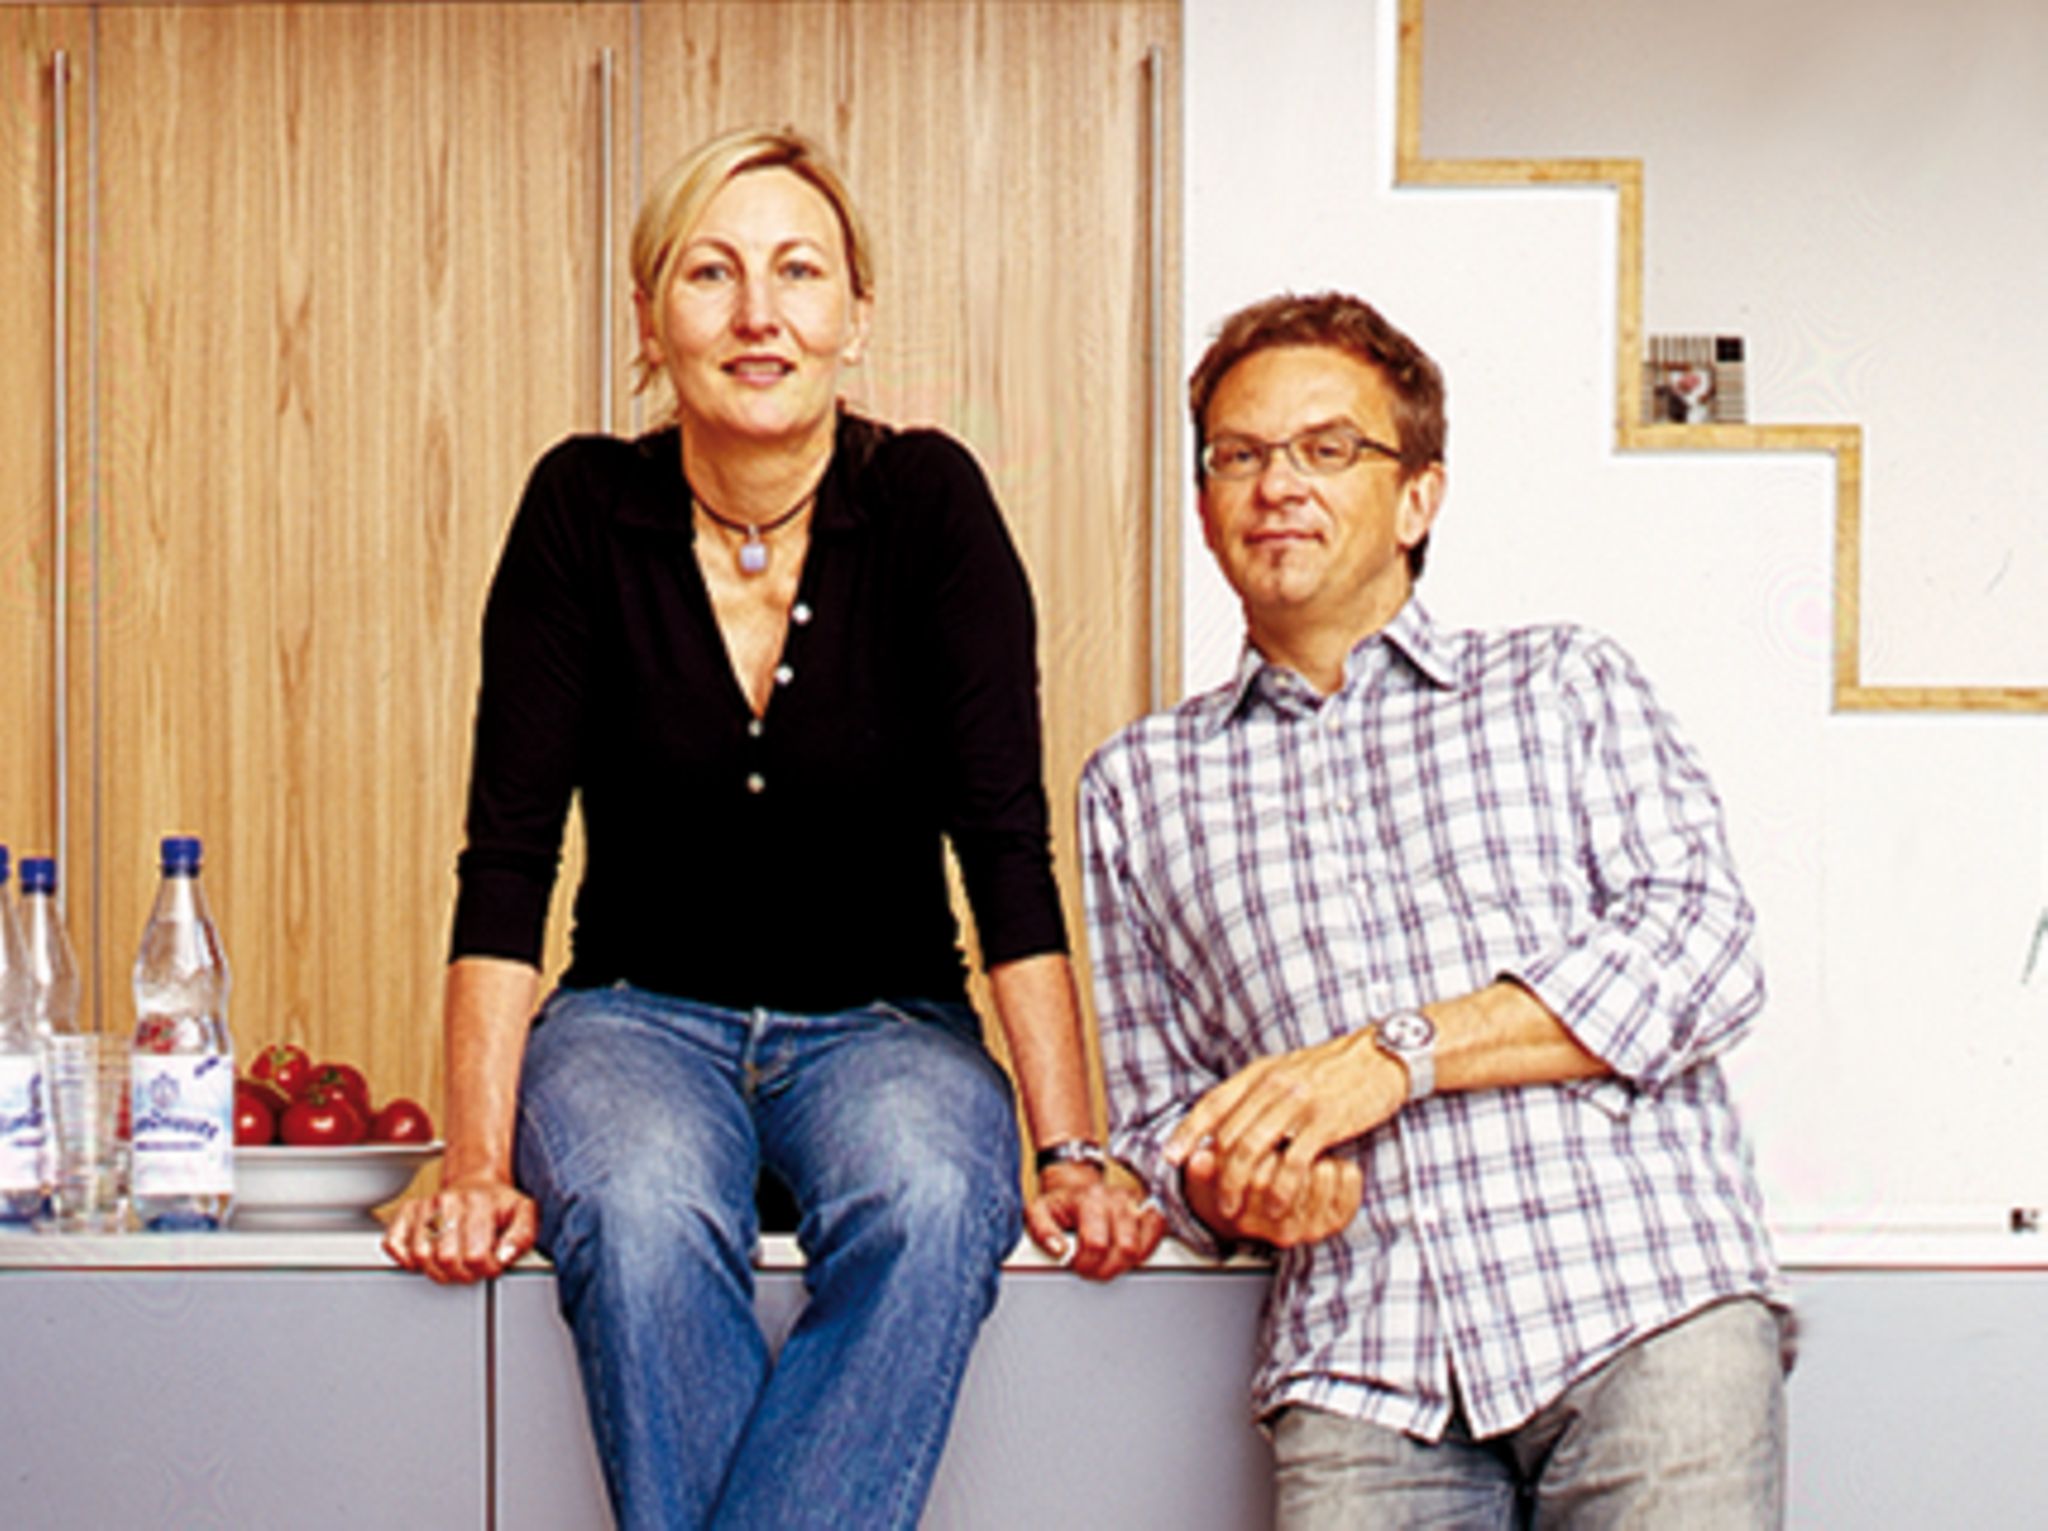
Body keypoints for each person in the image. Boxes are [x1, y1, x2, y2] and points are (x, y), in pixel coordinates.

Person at [384, 126, 1162, 1530]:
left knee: (935, 1196)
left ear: (854, 314)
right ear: (650, 319)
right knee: (633, 1207)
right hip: (632, 1022)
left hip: (890, 1028)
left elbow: (1006, 849)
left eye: (799, 271)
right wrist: (478, 1160)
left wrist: (1069, 1149)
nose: (759, 313)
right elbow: (507, 860)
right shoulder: (579, 508)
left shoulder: (930, 504)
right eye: (713, 272)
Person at [1080, 291, 1790, 1528]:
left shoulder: (1560, 683)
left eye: (1326, 448)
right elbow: (1159, 1129)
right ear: (1201, 506)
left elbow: (1702, 948)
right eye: (1238, 455)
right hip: (1364, 1363)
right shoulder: (1136, 787)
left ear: (1417, 498)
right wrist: (1235, 1190)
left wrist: (1392, 1054)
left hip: (1639, 1297)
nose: (1276, 485)